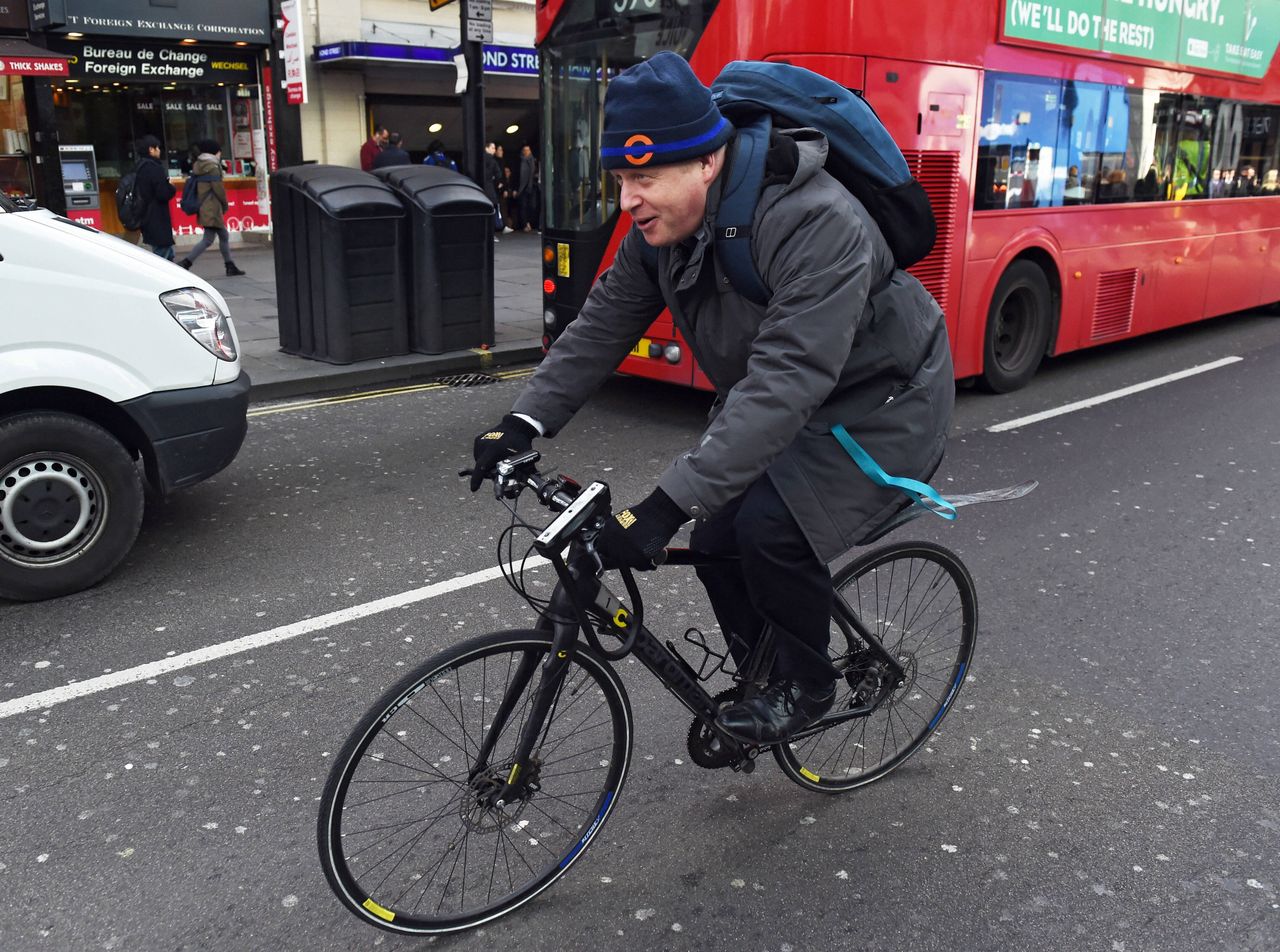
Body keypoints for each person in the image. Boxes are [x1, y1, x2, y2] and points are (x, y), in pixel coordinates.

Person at [467, 52, 953, 744]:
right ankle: (765, 670)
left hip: (879, 401)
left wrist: (661, 508)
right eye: (619, 179)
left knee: (765, 531)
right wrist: (522, 421)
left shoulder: (817, 222)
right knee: (719, 532)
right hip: (784, 395)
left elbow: (789, 379)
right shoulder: (660, 232)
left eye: (644, 177)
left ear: (707, 162)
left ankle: (807, 687)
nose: (627, 199)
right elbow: (602, 323)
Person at [179, 140, 246, 276]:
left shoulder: (199, 164)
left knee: (222, 236)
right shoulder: (212, 166)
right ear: (214, 152)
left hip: (205, 207)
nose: (220, 153)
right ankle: (186, 262)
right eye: (219, 150)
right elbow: (218, 189)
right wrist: (225, 204)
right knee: (208, 240)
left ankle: (229, 265)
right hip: (212, 209)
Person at [132, 134, 176, 260]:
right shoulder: (154, 168)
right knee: (163, 254)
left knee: (166, 252)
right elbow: (162, 193)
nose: (159, 150)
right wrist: (171, 187)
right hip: (157, 216)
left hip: (146, 214)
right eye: (158, 148)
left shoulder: (140, 166)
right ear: (151, 149)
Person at [481, 141, 511, 239]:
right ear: (487, 148)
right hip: (490, 187)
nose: (494, 150)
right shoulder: (493, 161)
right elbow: (498, 174)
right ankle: (492, 232)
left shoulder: (480, 159)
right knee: (493, 208)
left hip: (480, 187)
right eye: (493, 148)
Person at [516, 144, 538, 231]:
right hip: (523, 187)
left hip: (532, 186)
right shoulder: (520, 161)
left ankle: (531, 223)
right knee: (523, 206)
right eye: (525, 150)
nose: (526, 152)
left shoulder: (533, 161)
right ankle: (525, 224)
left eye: (528, 150)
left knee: (532, 206)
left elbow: (534, 173)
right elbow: (517, 175)